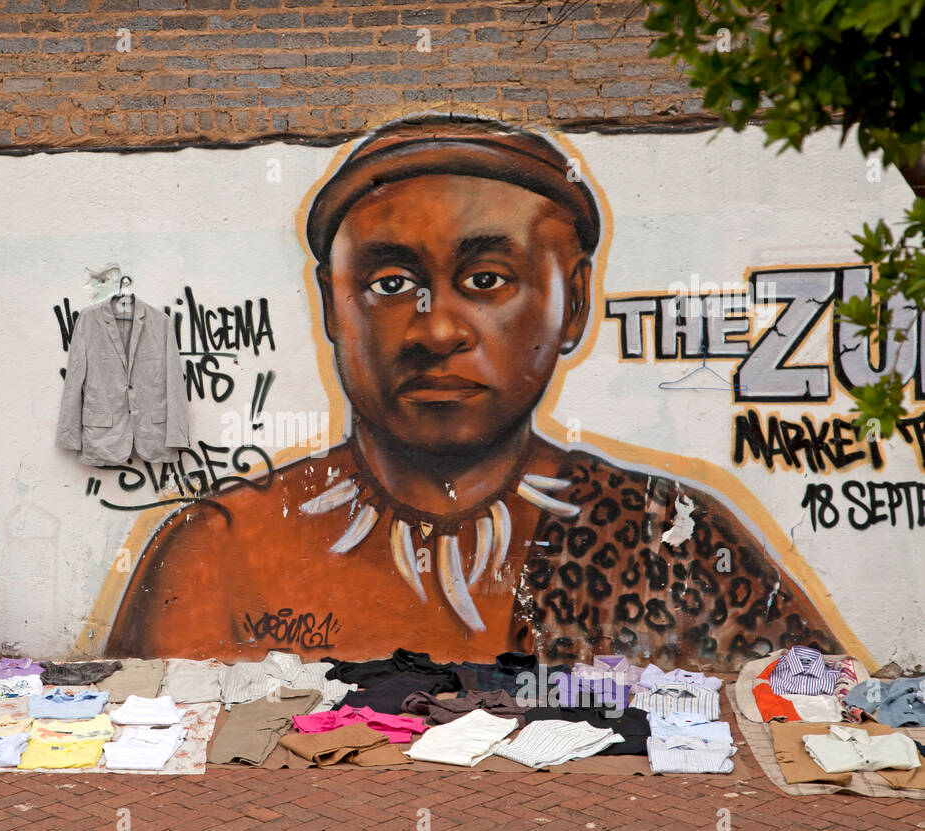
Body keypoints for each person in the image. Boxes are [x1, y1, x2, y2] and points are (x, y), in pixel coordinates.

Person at [104, 115, 846, 670]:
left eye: (487, 280)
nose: (435, 331)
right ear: (333, 309)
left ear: (574, 305)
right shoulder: (217, 549)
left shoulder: (676, 539)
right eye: (390, 283)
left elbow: (798, 715)